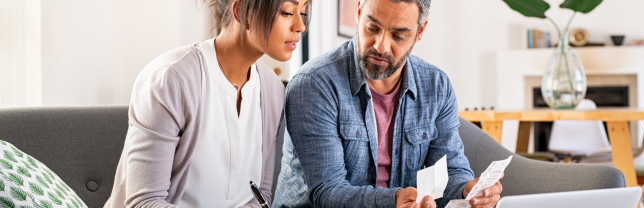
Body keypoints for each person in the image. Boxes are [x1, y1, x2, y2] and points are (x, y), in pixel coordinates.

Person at [273, 0, 503, 207]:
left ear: (420, 31)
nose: (381, 46)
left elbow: (450, 169)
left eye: (398, 36)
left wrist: (467, 191)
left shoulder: (437, 86)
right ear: (359, 12)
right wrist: (394, 200)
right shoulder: (314, 84)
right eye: (372, 28)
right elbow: (327, 194)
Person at [104, 0, 310, 207]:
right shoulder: (171, 79)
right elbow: (143, 202)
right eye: (286, 12)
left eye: (302, 13)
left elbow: (259, 194)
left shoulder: (272, 90)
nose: (300, 26)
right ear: (241, 12)